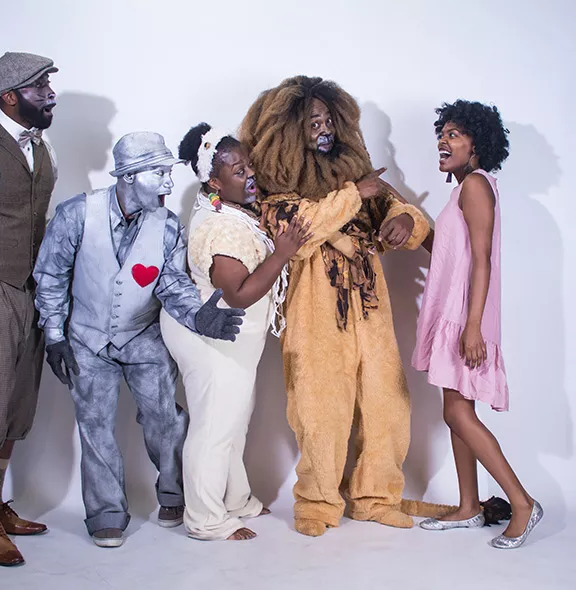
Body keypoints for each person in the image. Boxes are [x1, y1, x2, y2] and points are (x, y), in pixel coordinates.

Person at [240, 76, 450, 537]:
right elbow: (301, 232)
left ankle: (375, 497)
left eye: (329, 118)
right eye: (313, 120)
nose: (324, 127)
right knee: (319, 408)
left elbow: (406, 211)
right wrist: (356, 194)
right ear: (291, 132)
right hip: (314, 309)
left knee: (387, 402)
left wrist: (399, 219)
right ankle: (316, 503)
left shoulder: (356, 178)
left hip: (371, 308)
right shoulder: (274, 193)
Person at [33, 131, 245, 548]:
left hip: (142, 337)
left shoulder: (166, 226)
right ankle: (107, 511)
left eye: (169, 173)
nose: (170, 183)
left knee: (166, 419)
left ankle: (172, 494)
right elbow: (50, 276)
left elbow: (172, 284)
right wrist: (54, 334)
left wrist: (201, 318)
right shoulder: (76, 213)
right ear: (129, 177)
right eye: (160, 174)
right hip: (87, 340)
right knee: (95, 427)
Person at [160, 123, 311, 541]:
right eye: (237, 170)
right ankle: (206, 519)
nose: (249, 176)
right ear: (214, 180)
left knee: (233, 419)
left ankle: (236, 499)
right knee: (213, 426)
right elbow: (240, 294)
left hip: (227, 340)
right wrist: (282, 253)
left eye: (249, 166)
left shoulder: (224, 208)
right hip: (212, 338)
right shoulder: (220, 226)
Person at [413, 100, 543, 549]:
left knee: (456, 411)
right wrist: (412, 231)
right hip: (456, 311)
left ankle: (522, 503)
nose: (442, 141)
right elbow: (455, 256)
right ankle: (469, 506)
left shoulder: (474, 187)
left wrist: (473, 329)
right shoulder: (464, 188)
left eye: (454, 134)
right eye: (442, 133)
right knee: (457, 410)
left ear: (477, 143)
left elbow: (483, 262)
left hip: (466, 316)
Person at [0, 51, 59, 567]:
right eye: (39, 87)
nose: (50, 93)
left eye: (50, 84)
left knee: (15, 408)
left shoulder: (45, 150)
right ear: (9, 97)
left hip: (29, 291)